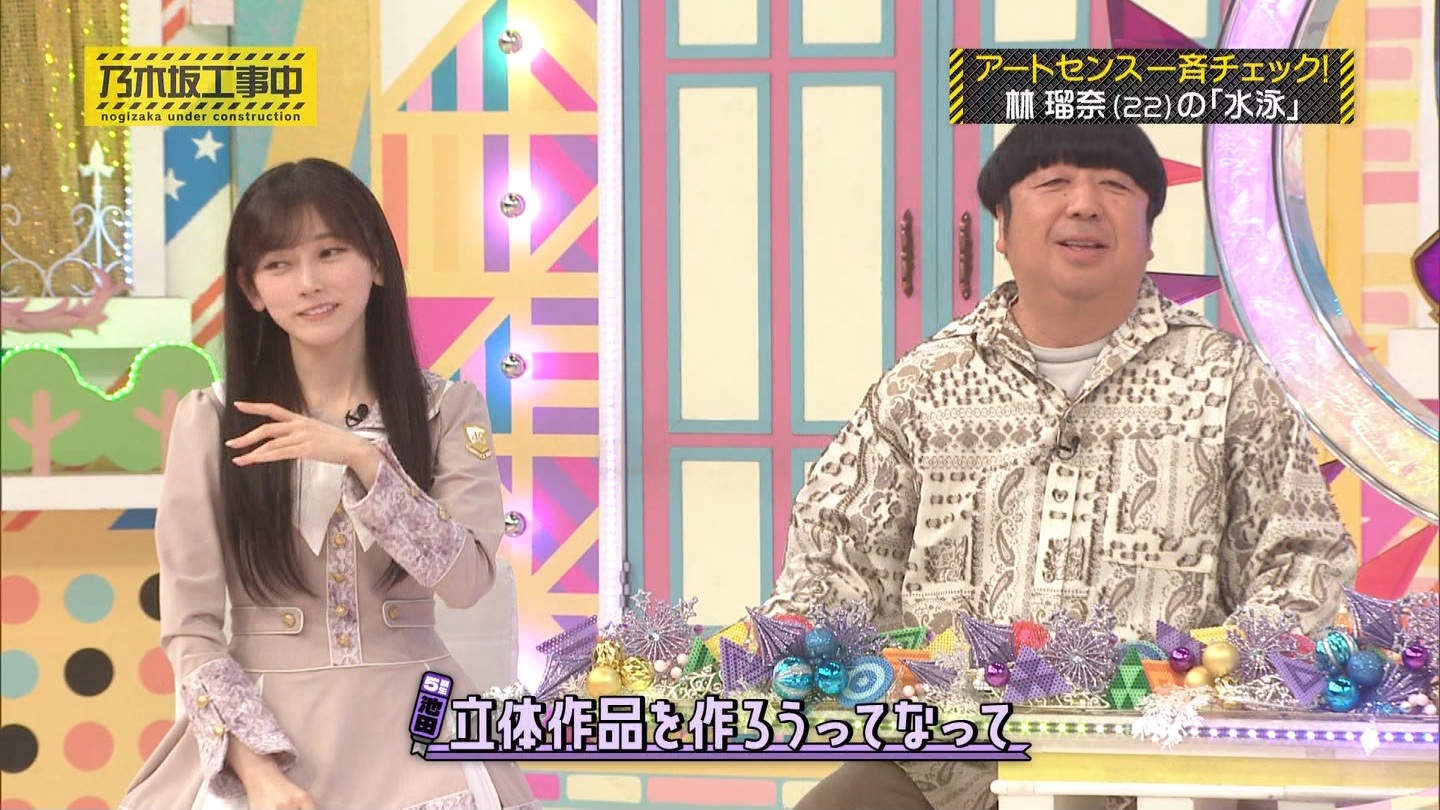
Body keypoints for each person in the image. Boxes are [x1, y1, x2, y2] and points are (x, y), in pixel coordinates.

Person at [766, 124, 1358, 810]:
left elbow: (1304, 560)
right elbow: (832, 552)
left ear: (1149, 233)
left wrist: (1221, 680)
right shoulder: (924, 385)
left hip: (1170, 759)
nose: (1084, 204)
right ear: (1001, 227)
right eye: (1053, 184)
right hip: (956, 758)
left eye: (1114, 186)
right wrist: (806, 656)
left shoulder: (1227, 380)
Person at [120, 159, 538, 810]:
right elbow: (190, 631)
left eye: (330, 252)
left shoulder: (448, 411)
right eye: (279, 264)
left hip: (420, 730)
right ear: (252, 289)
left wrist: (366, 463)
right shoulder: (212, 419)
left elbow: (465, 584)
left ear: (376, 262)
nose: (309, 282)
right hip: (264, 738)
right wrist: (260, 775)